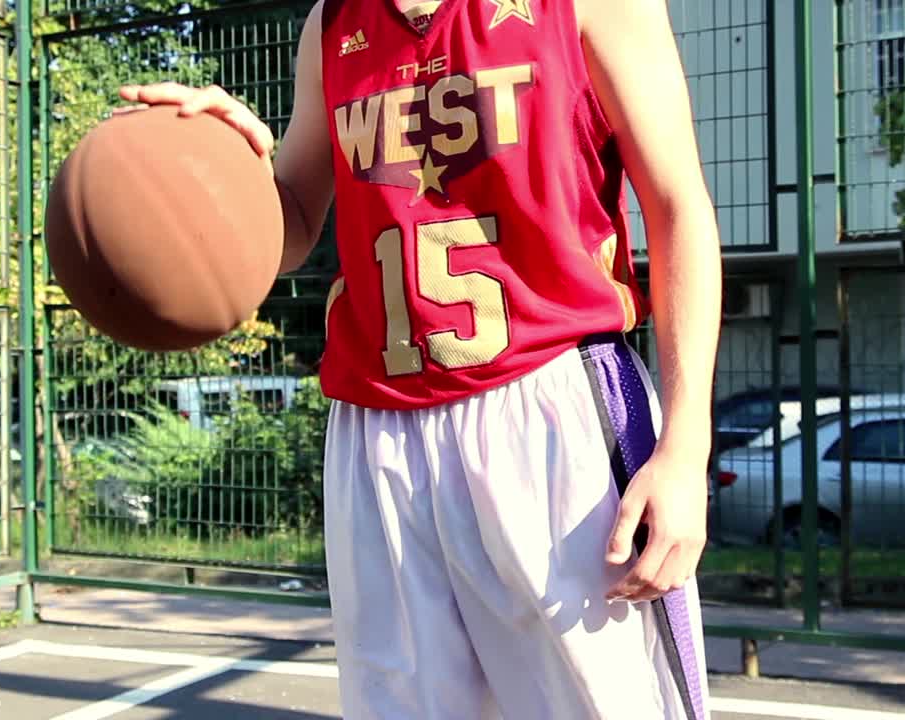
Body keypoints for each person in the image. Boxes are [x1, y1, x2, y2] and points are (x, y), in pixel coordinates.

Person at [120, 0, 721, 716]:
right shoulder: (331, 23)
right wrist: (225, 168)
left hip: (553, 413)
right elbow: (292, 227)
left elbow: (679, 206)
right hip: (377, 431)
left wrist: (686, 449)